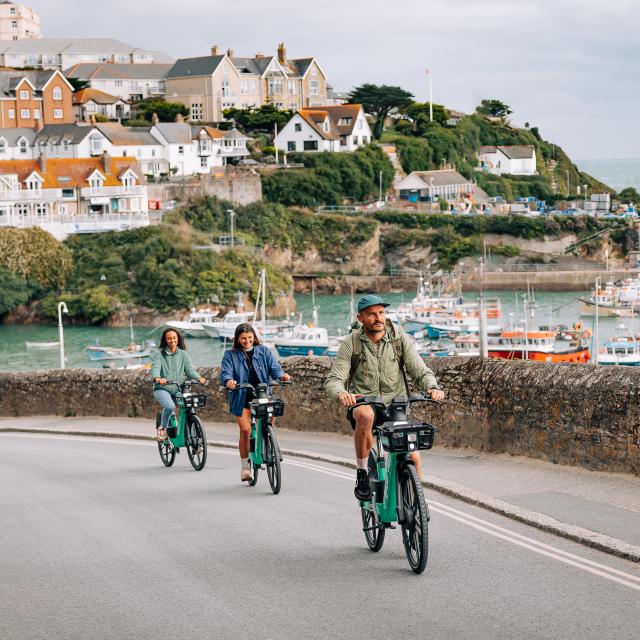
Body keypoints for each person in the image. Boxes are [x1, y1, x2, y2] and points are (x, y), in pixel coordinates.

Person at [325, 294, 445, 501]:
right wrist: (342, 393)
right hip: (366, 403)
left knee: (414, 456)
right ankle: (362, 472)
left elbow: (419, 369)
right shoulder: (351, 343)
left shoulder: (399, 338)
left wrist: (432, 386)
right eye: (372, 314)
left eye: (381, 313)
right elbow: (334, 379)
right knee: (364, 416)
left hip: (396, 405)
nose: (378, 318)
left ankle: (418, 505)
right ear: (361, 318)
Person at [220, 323, 291, 482]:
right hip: (242, 395)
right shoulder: (230, 355)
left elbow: (275, 368)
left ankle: (269, 442)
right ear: (238, 339)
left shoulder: (264, 351)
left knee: (269, 423)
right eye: (244, 338)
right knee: (245, 430)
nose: (247, 341)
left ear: (254, 337)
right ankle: (245, 466)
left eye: (250, 338)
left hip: (263, 395)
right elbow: (226, 372)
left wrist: (282, 376)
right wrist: (229, 381)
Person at [150, 328, 206, 441]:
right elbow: (155, 368)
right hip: (162, 388)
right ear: (165, 340)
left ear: (178, 339)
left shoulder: (183, 354)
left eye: (174, 338)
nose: (172, 340)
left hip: (177, 389)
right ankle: (162, 428)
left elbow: (189, 370)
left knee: (189, 406)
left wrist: (199, 378)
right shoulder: (159, 355)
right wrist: (157, 378)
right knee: (170, 406)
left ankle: (195, 436)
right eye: (169, 338)